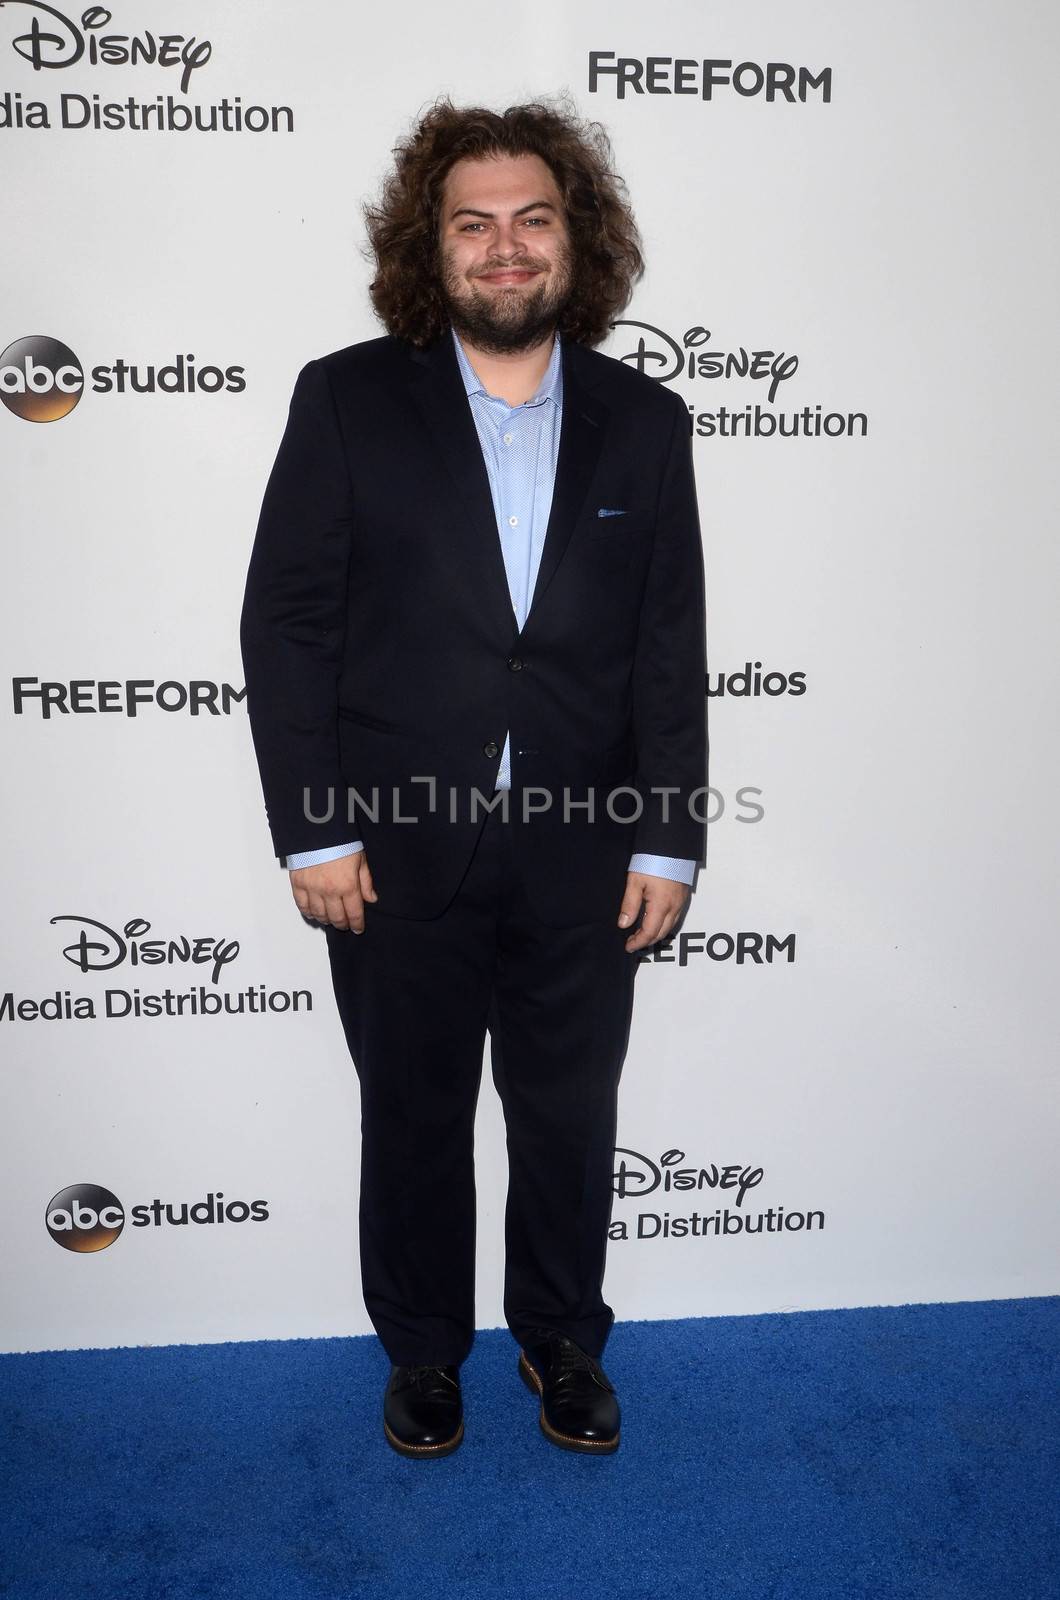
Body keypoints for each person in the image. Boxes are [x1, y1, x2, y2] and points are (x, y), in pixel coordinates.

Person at [240, 98, 707, 1459]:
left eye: (533, 220)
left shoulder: (646, 423)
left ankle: (562, 1343)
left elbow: (667, 648)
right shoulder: (346, 399)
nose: (506, 250)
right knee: (416, 1117)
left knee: (568, 1115)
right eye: (475, 224)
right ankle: (426, 1353)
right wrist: (314, 827)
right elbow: (290, 626)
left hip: (586, 844)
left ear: (578, 240)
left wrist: (666, 839)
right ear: (430, 247)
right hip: (393, 851)